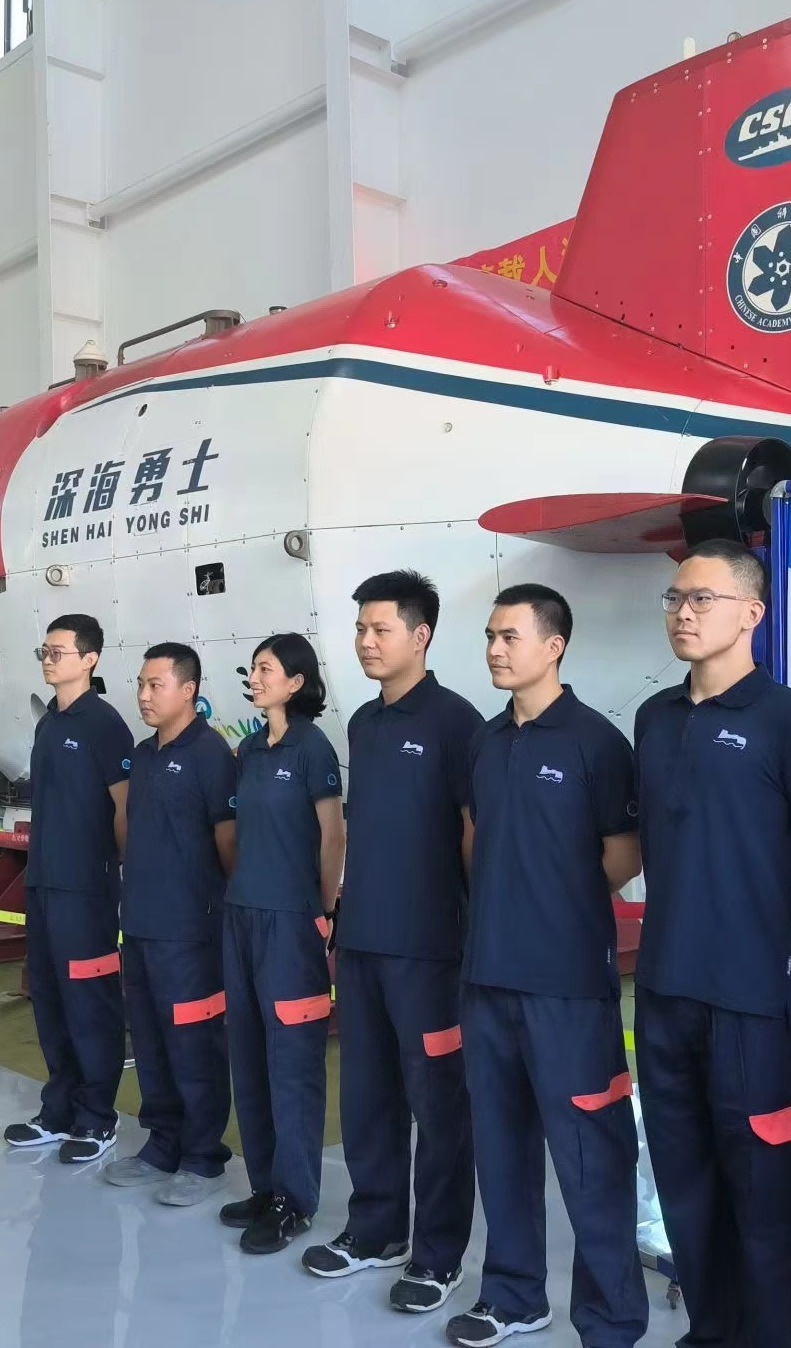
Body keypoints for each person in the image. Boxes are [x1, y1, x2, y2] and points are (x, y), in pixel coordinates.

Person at [631, 541, 791, 1347]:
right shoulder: (655, 718)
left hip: (751, 1000)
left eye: (702, 599)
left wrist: (782, 947)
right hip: (663, 991)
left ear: (752, 613)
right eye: (675, 598)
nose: (682, 612)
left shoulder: (790, 722)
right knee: (686, 1187)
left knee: (766, 1197)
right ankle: (711, 1333)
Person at [446, 584, 647, 1348]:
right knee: (500, 1149)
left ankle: (611, 1322)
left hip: (567, 986)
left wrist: (555, 904)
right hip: (487, 980)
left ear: (554, 646)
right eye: (490, 637)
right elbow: (476, 837)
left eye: (510, 637)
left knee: (592, 1159)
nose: (495, 650)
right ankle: (513, 1296)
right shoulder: (486, 742)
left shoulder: (597, 742)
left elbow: (623, 856)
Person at [303, 571, 481, 1315]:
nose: (365, 642)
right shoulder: (365, 725)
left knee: (439, 1107)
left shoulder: (457, 723)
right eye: (360, 629)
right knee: (368, 1096)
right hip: (366, 942)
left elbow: (473, 835)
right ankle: (376, 1229)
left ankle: (438, 1254)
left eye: (380, 629)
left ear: (421, 634)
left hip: (431, 949)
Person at [217, 632, 345, 1254]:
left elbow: (333, 836)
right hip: (241, 915)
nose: (256, 677)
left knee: (292, 1063)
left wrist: (322, 909)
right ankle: (265, 1186)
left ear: (296, 682)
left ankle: (295, 1200)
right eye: (253, 667)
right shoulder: (248, 750)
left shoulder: (313, 747)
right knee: (248, 1055)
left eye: (266, 668)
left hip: (290, 923)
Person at [100, 642, 239, 1207]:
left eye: (155, 685)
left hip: (190, 929)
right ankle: (163, 1143)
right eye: (140, 683)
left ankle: (203, 1157)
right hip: (140, 924)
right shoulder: (143, 755)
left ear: (189, 690)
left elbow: (229, 843)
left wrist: (212, 906)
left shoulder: (211, 754)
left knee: (193, 1045)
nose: (143, 695)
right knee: (151, 1039)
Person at [1, 613, 133, 1164]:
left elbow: (125, 807)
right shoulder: (48, 724)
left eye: (59, 652)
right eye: (45, 652)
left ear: (90, 659)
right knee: (50, 997)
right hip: (43, 882)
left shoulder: (104, 725)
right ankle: (58, 1110)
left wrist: (114, 870)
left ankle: (98, 1117)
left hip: (86, 888)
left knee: (89, 1003)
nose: (49, 660)